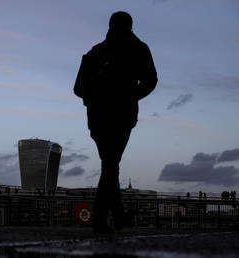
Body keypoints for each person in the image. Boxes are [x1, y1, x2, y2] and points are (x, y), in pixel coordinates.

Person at [74, 11, 157, 233]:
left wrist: (95, 97)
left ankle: (116, 216)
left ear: (110, 25)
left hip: (98, 117)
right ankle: (103, 219)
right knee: (111, 165)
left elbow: (78, 88)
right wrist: (131, 96)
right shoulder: (138, 49)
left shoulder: (95, 52)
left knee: (110, 165)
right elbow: (151, 80)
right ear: (130, 26)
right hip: (122, 114)